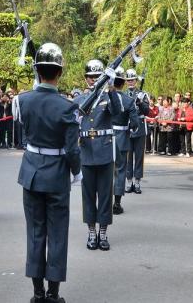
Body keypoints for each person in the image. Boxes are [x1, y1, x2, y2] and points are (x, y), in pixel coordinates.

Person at [16, 43, 81, 303]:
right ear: (60, 73)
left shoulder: (22, 100)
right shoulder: (68, 107)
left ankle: (37, 293)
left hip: (31, 172)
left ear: (37, 71)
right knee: (57, 235)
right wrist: (76, 172)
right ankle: (53, 294)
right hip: (56, 177)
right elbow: (72, 149)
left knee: (35, 232)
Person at [74, 59, 121, 251]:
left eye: (96, 77)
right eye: (90, 77)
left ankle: (103, 232)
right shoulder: (78, 101)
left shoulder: (109, 98)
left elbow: (118, 112)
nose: (93, 80)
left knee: (104, 195)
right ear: (85, 79)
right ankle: (91, 231)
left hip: (104, 151)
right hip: (86, 151)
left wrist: (111, 89)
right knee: (88, 195)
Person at [111, 66, 139, 215]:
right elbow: (135, 123)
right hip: (121, 138)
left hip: (106, 139)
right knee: (120, 171)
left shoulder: (104, 98)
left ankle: (103, 201)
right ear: (122, 83)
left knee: (106, 171)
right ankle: (117, 203)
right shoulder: (128, 100)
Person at [125, 69, 150, 194]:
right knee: (128, 157)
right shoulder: (123, 94)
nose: (130, 82)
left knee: (139, 157)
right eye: (128, 80)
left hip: (139, 127)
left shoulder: (143, 94)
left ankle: (137, 181)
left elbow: (147, 111)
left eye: (132, 80)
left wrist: (140, 103)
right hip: (127, 128)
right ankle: (129, 181)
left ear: (136, 80)